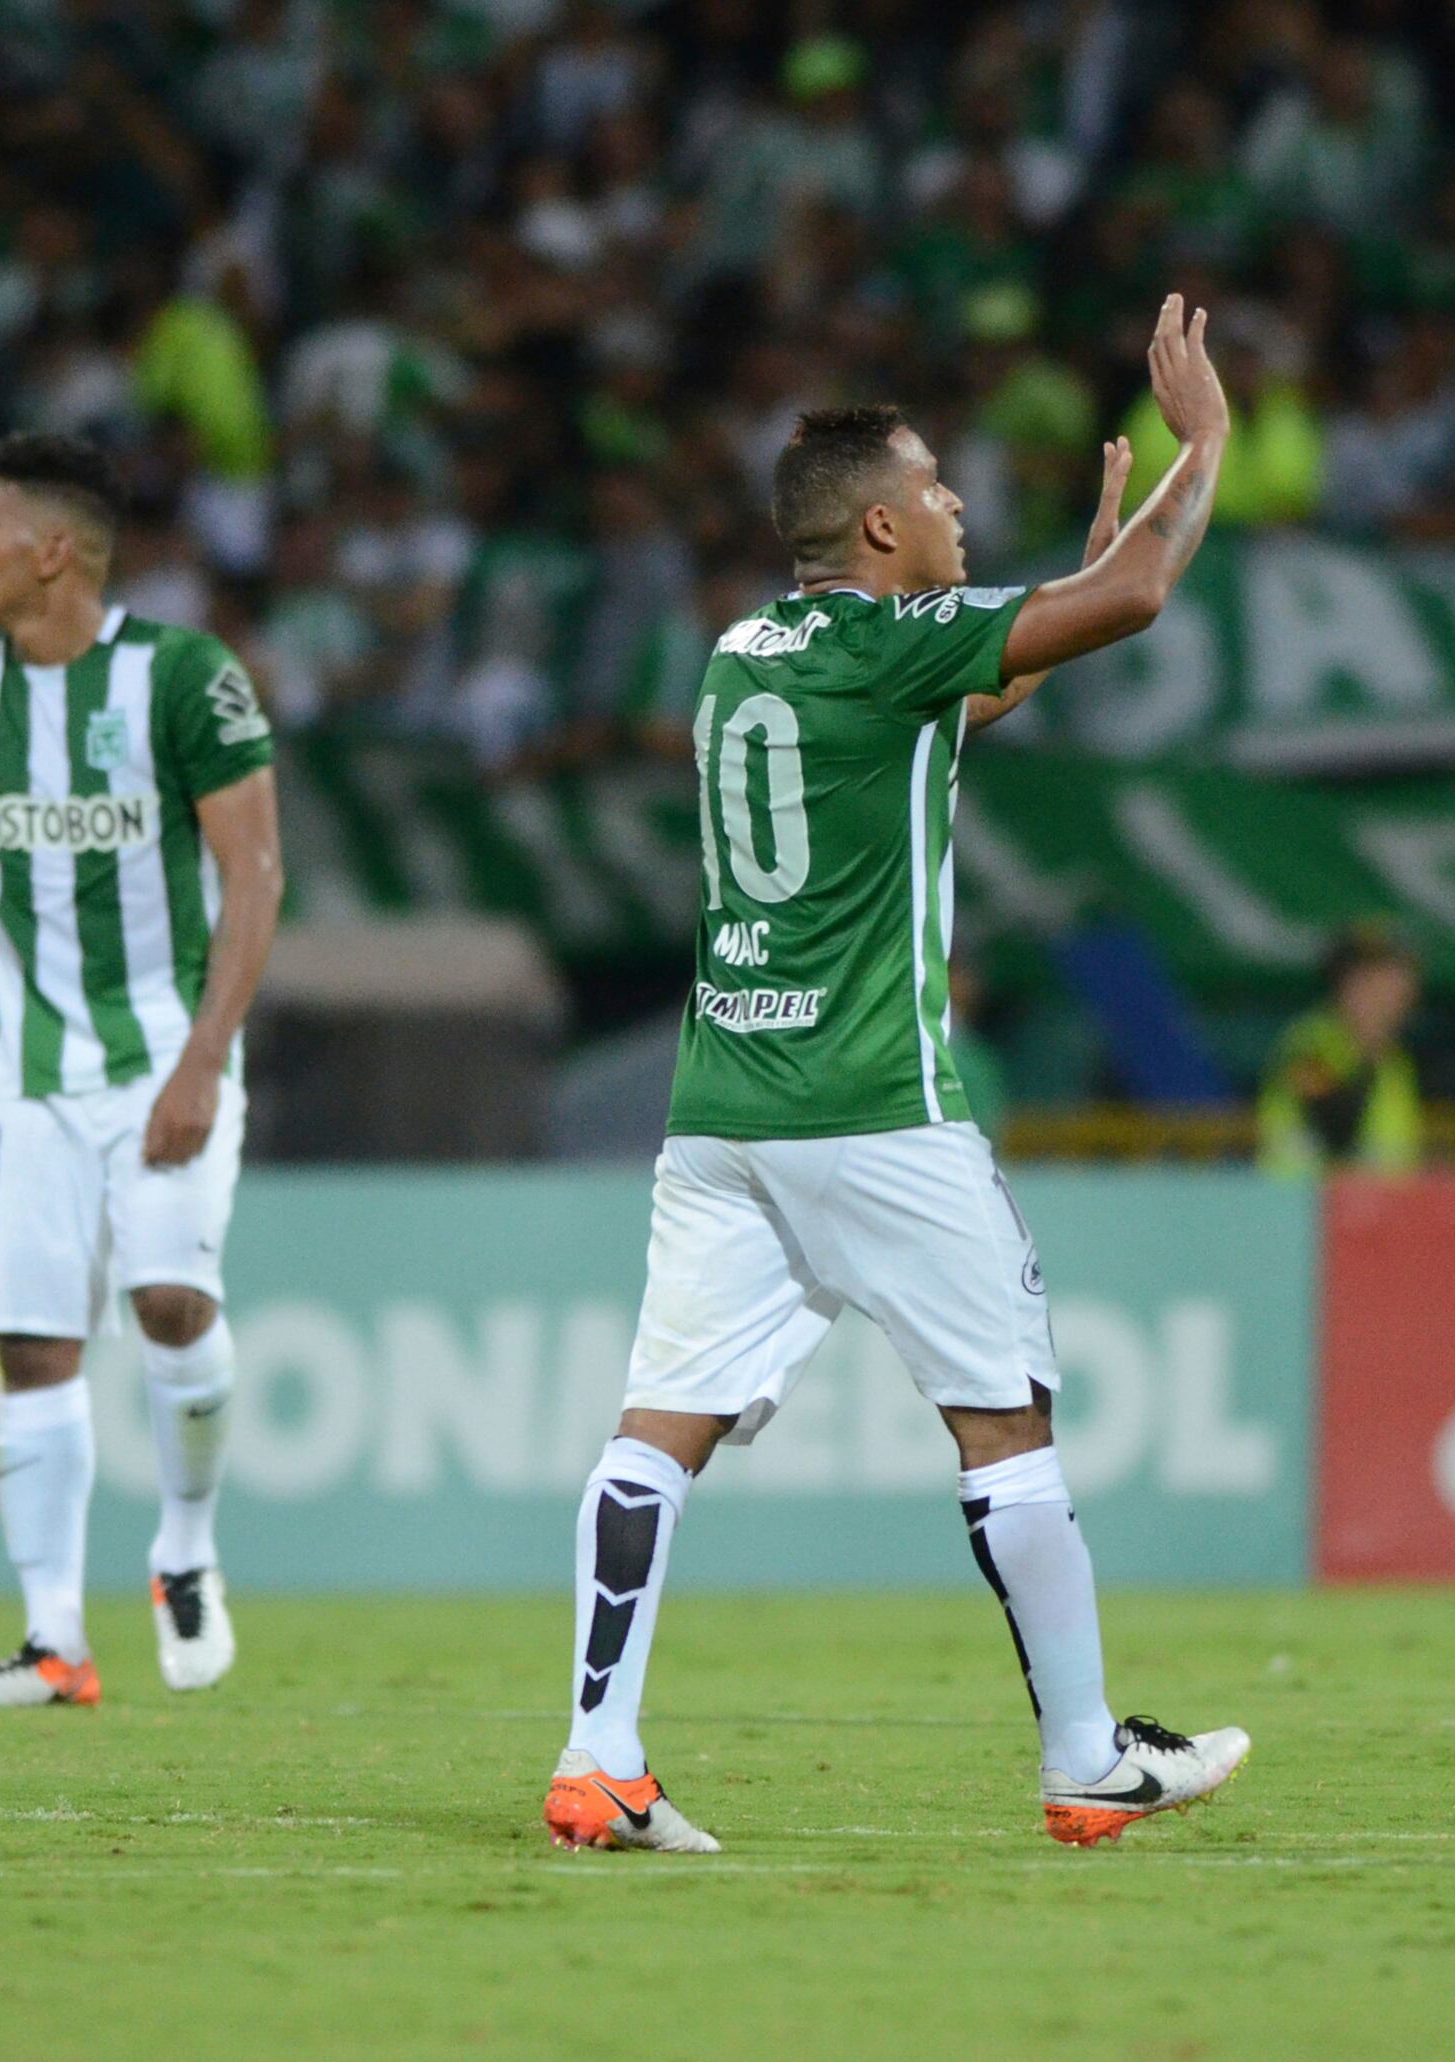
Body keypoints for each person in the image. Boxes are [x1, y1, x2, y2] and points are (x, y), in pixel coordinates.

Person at [545, 298, 1247, 1857]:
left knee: (658, 1427)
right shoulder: (887, 644)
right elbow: (1131, 598)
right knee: (1009, 1418)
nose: (954, 509)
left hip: (722, 1109)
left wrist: (1035, 612)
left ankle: (600, 1754)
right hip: (874, 1104)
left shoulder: (746, 651)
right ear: (876, 523)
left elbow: (962, 701)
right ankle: (1086, 1757)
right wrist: (1204, 445)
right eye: (935, 492)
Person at [0, 432, 285, 1709]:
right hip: (28, 1075)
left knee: (165, 1305)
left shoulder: (184, 677)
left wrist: (205, 1058)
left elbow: (255, 875)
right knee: (33, 1347)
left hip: (164, 1056)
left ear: (53, 552)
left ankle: (186, 1554)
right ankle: (54, 1645)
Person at [1256, 921, 1423, 1179]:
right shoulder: (1310, 1042)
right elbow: (1334, 1126)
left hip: (1379, 1209)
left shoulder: (1396, 1062)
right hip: (1302, 1207)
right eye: (1371, 980)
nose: (1390, 992)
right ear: (1345, 986)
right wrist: (1367, 1055)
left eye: (1397, 978)